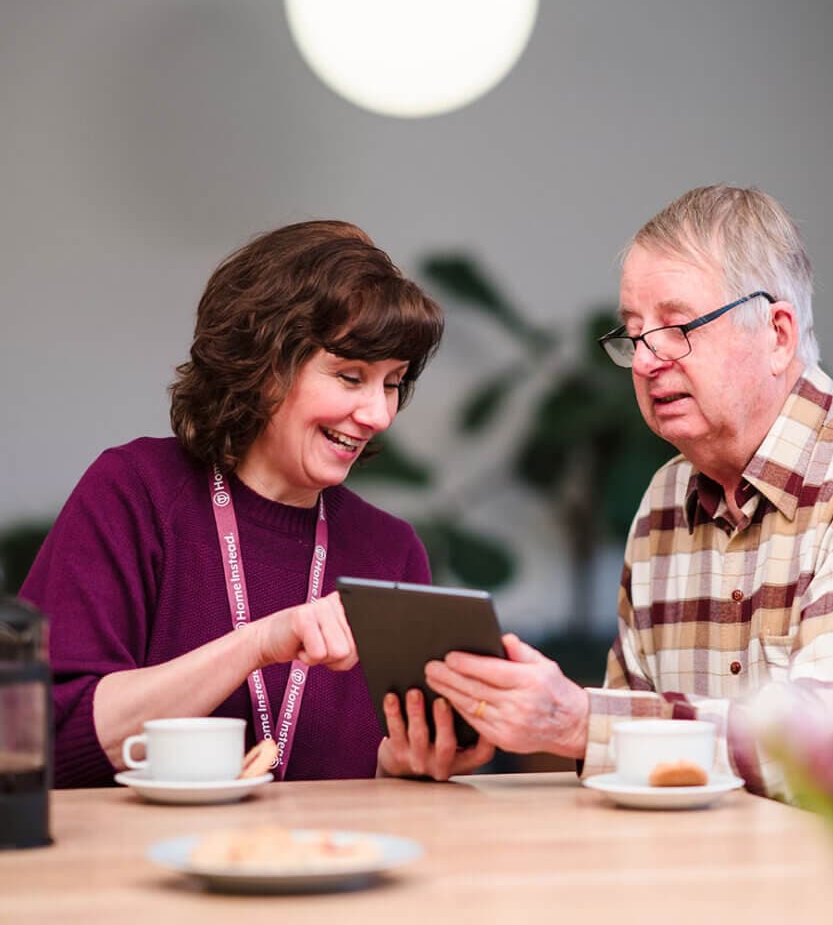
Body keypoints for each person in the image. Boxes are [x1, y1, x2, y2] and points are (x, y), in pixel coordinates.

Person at [419, 185, 833, 799]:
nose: (646, 360)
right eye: (635, 333)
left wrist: (581, 723)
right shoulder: (663, 501)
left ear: (778, 334)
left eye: (677, 327)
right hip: (703, 877)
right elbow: (633, 772)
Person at [19, 220, 493, 787]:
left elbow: (370, 782)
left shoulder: (391, 549)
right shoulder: (135, 492)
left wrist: (397, 766)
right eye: (349, 376)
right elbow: (44, 734)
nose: (379, 415)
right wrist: (257, 645)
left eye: (392, 383)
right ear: (265, 367)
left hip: (325, 868)